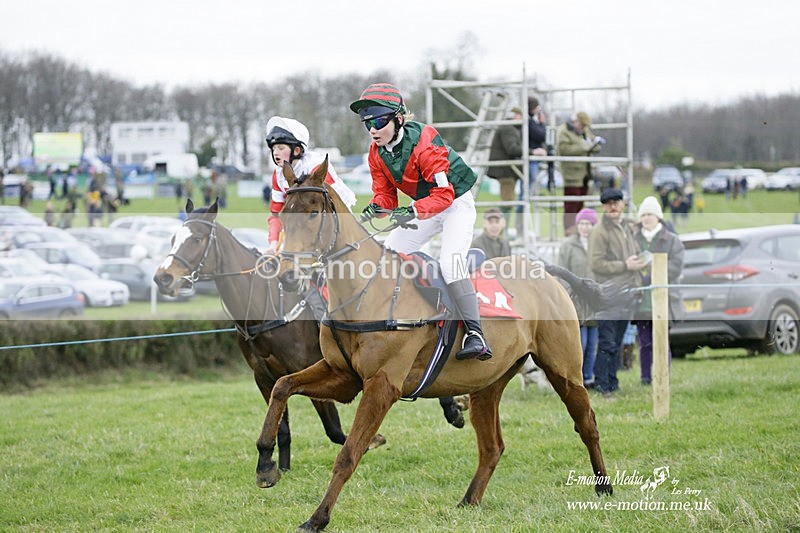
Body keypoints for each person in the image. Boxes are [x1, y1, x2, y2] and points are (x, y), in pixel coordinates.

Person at [351, 82, 492, 361]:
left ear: (398, 118)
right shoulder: (375, 152)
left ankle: (476, 334)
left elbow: (444, 194)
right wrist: (375, 208)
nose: (373, 129)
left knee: (450, 264)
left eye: (379, 121)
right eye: (368, 123)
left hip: (455, 204)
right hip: (427, 206)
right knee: (389, 253)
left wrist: (413, 211)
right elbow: (386, 196)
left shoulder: (425, 142)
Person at [265, 116, 356, 254]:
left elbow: (331, 209)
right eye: (273, 148)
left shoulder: (315, 166)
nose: (275, 152)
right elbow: (276, 215)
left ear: (296, 150)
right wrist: (273, 244)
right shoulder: (278, 174)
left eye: (280, 147)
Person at [588, 188, 645, 396]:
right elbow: (596, 264)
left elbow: (633, 254)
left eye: (616, 202)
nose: (613, 206)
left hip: (628, 292)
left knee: (618, 341)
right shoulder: (599, 231)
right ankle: (602, 383)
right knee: (607, 341)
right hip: (608, 294)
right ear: (604, 206)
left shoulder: (627, 227)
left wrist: (639, 261)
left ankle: (612, 380)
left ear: (622, 204)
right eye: (609, 203)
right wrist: (625, 265)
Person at [633, 196, 685, 385]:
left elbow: (677, 267)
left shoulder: (672, 240)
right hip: (641, 301)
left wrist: (654, 265)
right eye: (644, 215)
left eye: (650, 214)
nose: (647, 218)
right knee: (644, 342)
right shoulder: (633, 238)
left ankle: (663, 377)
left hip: (664, 299)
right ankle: (646, 378)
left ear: (658, 217)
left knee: (662, 341)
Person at [558, 207, 599, 388]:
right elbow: (561, 272)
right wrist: (568, 294)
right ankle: (577, 379)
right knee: (579, 344)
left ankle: (589, 377)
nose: (585, 227)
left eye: (588, 224)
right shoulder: (568, 246)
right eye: (582, 223)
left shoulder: (599, 245)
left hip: (593, 302)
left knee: (592, 344)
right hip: (574, 302)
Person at [556, 111, 605, 235]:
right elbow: (563, 149)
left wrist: (595, 144)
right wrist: (585, 147)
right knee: (571, 206)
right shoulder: (564, 131)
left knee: (580, 204)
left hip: (585, 174)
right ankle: (569, 232)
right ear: (575, 121)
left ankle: (577, 231)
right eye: (582, 125)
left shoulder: (584, 132)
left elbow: (593, 143)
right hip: (571, 174)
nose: (583, 128)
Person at [517, 97, 549, 236]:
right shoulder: (529, 121)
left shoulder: (529, 120)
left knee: (527, 194)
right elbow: (542, 136)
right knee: (525, 195)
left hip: (532, 160)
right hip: (530, 160)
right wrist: (542, 124)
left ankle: (523, 228)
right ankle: (521, 228)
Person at [486, 106, 523, 226]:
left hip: (506, 169)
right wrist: (530, 151)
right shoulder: (509, 128)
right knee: (507, 201)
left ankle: (502, 229)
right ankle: (500, 229)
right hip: (506, 170)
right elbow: (512, 149)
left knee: (508, 200)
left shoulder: (507, 126)